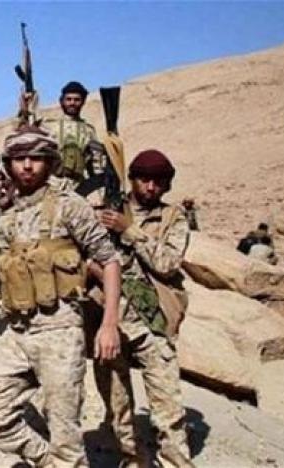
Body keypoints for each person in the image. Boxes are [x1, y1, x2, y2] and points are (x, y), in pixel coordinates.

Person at [0, 126, 121, 467]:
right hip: (18, 332)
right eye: (19, 159)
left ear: (51, 162)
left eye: (36, 158)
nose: (27, 166)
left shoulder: (69, 206)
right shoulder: (7, 215)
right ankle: (49, 461)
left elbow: (109, 261)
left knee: (65, 436)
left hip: (60, 331)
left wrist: (109, 325)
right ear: (8, 165)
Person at [88, 149, 194, 467]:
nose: (151, 187)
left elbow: (168, 263)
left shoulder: (172, 218)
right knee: (117, 404)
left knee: (168, 407)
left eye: (158, 182)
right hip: (110, 318)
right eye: (144, 180)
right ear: (132, 179)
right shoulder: (105, 209)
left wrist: (129, 230)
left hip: (153, 320)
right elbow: (81, 255)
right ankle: (133, 459)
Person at [41, 81, 106, 186]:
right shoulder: (50, 126)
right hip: (52, 183)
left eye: (77, 100)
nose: (72, 103)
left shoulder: (88, 130)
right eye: (68, 99)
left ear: (83, 102)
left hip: (79, 185)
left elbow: (96, 161)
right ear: (62, 101)